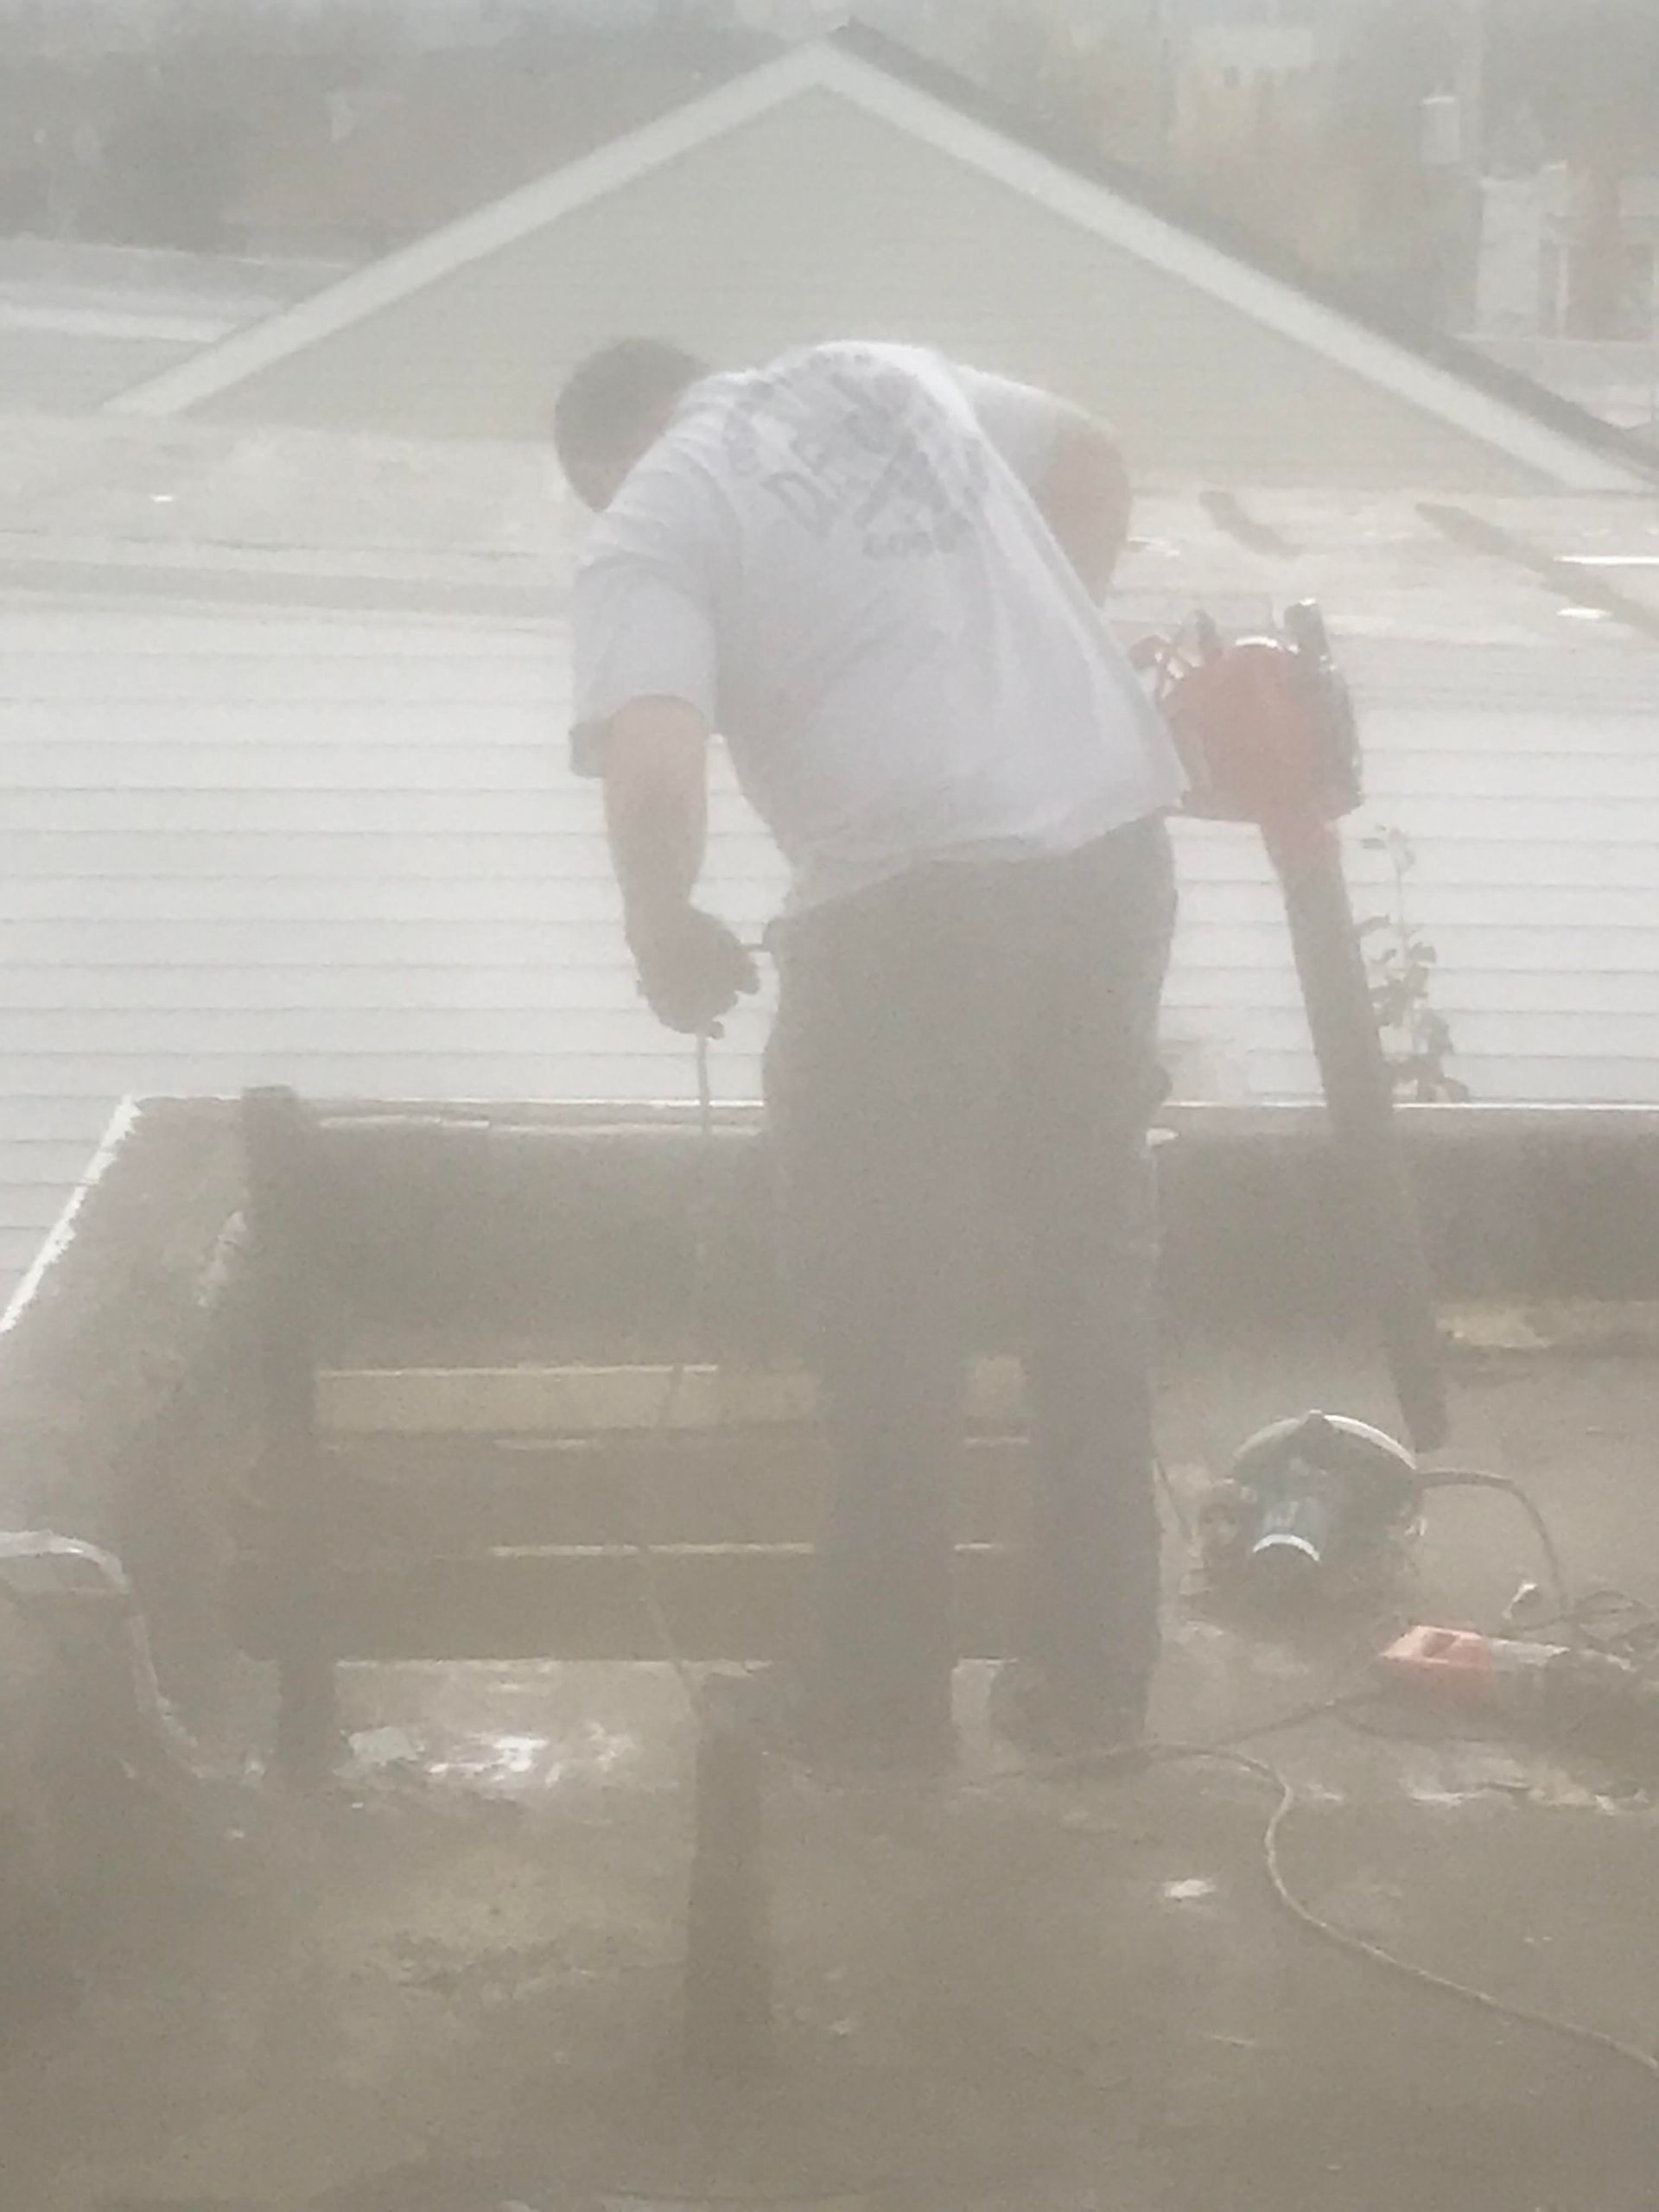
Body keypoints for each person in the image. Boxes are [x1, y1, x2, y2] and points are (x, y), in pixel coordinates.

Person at [556, 337, 1184, 1766]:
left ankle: (880, 1703)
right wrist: (1021, 673)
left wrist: (661, 929)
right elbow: (1089, 460)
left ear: (604, 466)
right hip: (1105, 844)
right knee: (1088, 1280)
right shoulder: (875, 374)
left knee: (887, 1305)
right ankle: (1093, 1687)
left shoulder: (651, 515)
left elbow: (655, 769)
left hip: (908, 906)